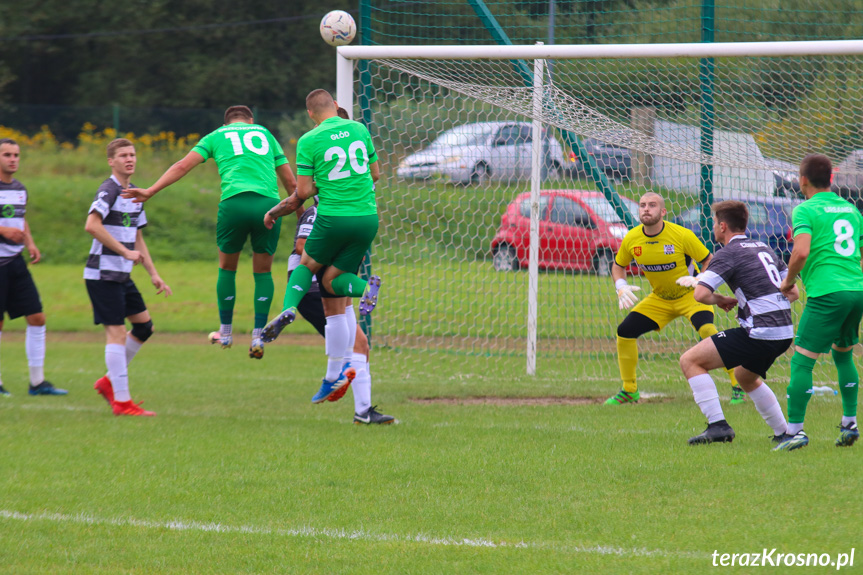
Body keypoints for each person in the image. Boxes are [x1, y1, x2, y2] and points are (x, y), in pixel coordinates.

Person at [123, 105, 297, 360]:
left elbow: (182, 166)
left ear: (227, 122)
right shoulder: (265, 134)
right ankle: (259, 335)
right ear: (250, 120)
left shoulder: (217, 135)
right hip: (268, 205)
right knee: (263, 271)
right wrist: (302, 215)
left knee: (227, 268)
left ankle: (225, 332)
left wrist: (150, 190)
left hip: (233, 204)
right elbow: (291, 183)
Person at [261, 89, 382, 370]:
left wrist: (322, 183)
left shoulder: (309, 139)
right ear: (336, 106)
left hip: (332, 218)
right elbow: (375, 174)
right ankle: (365, 287)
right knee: (333, 280)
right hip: (367, 218)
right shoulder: (359, 128)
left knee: (306, 264)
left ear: (310, 114)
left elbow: (301, 191)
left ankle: (289, 308)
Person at [677, 201, 796, 444]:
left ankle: (718, 426)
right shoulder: (765, 247)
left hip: (761, 331)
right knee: (745, 376)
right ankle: (784, 433)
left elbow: (700, 294)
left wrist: (719, 298)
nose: (713, 228)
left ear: (722, 226)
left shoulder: (729, 252)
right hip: (784, 330)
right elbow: (793, 293)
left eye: (713, 223)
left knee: (690, 361)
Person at [608, 192, 741, 405]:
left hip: (691, 296)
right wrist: (620, 286)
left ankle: (738, 385)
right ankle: (629, 390)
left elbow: (709, 260)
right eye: (642, 205)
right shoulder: (632, 238)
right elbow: (618, 265)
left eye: (652, 205)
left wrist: (701, 281)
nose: (646, 209)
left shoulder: (681, 235)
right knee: (624, 331)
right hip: (660, 299)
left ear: (663, 212)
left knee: (708, 331)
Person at [775, 153, 863, 451]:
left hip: (827, 293)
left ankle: (795, 432)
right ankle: (850, 423)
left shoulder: (805, 210)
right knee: (843, 356)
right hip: (856, 290)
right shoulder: (851, 210)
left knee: (802, 360)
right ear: (831, 179)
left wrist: (787, 283)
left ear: (802, 180)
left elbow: (800, 253)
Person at [85, 138, 172, 416]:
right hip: (102, 274)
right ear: (111, 161)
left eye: (132, 154)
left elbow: (138, 238)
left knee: (144, 328)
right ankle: (122, 402)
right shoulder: (108, 190)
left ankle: (109, 382)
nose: (129, 159)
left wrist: (154, 274)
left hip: (122, 275)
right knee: (117, 333)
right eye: (123, 155)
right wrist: (124, 251)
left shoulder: (135, 194)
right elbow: (92, 225)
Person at [290, 197, 395, 423]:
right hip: (311, 289)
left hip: (328, 282)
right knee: (358, 344)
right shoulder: (315, 212)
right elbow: (301, 246)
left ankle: (362, 407)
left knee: (362, 344)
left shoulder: (337, 215)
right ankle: (343, 380)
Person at [0, 138, 66, 397]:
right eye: (6, 154)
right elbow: (8, 225)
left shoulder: (19, 188)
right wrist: (4, 230)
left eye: (16, 154)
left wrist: (30, 242)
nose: (12, 159)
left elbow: (21, 218)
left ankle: (37, 383)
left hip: (16, 263)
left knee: (37, 317)